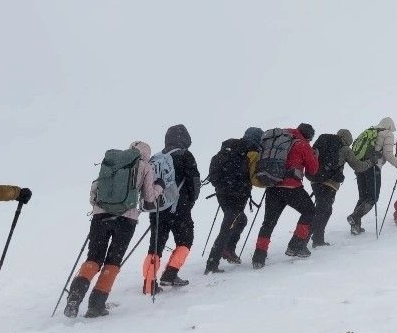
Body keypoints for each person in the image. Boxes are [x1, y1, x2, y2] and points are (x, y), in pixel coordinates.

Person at [65, 140, 160, 318]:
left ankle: (75, 296)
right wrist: (159, 188)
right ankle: (96, 305)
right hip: (126, 220)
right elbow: (148, 199)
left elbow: (95, 188)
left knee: (93, 258)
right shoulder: (145, 166)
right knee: (112, 262)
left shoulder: (112, 162)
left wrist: (99, 209)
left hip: (100, 217)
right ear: (146, 154)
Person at [142, 124, 202, 294]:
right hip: (179, 208)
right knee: (185, 241)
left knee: (155, 245)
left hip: (157, 208)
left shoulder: (155, 157)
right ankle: (170, 274)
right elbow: (194, 183)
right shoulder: (185, 155)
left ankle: (148, 283)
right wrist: (189, 203)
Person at [252, 123, 320, 268]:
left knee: (268, 222)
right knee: (309, 212)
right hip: (291, 187)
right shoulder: (302, 144)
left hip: (272, 186)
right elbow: (313, 170)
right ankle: (296, 245)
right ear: (308, 136)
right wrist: (314, 156)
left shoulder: (280, 138)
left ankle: (259, 257)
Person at [204, 127, 262, 274]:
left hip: (222, 192)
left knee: (240, 220)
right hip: (238, 194)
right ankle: (212, 263)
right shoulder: (252, 153)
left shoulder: (230, 147)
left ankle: (227, 249)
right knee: (228, 225)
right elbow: (254, 179)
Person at [307, 129, 367, 247]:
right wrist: (371, 161)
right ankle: (301, 241)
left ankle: (317, 238)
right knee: (322, 211)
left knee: (324, 210)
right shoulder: (344, 149)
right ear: (347, 140)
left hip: (315, 180)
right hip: (329, 183)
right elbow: (358, 166)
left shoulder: (322, 142)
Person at [346, 117, 397, 235]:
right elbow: (388, 154)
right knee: (372, 197)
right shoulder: (387, 133)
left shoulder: (371, 131)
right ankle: (354, 217)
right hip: (373, 168)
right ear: (390, 126)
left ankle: (355, 226)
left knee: (363, 197)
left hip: (361, 166)